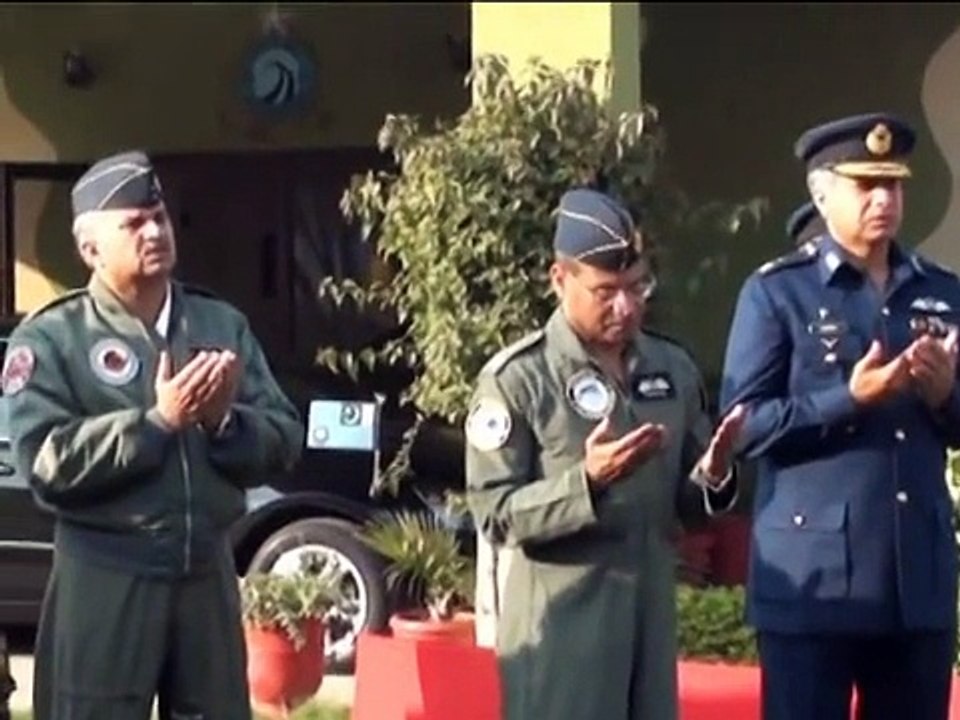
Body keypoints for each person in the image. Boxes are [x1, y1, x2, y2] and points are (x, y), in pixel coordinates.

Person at [1, 150, 304, 720]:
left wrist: (225, 423)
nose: (154, 231)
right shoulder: (53, 339)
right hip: (107, 573)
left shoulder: (219, 325)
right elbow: (46, 462)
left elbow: (285, 438)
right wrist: (156, 423)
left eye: (159, 217)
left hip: (205, 573)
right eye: (133, 223)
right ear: (90, 250)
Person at [465, 187, 746, 720]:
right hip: (564, 633)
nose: (626, 306)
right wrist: (585, 484)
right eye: (606, 290)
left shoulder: (672, 368)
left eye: (638, 287)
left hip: (650, 624)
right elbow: (494, 514)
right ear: (559, 279)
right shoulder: (520, 379)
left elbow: (688, 501)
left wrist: (714, 473)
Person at [718, 112, 960, 720]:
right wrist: (849, 399)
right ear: (821, 194)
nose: (884, 199)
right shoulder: (778, 292)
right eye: (864, 185)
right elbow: (743, 426)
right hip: (815, 581)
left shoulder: (941, 291)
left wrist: (944, 398)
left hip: (915, 582)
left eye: (894, 184)